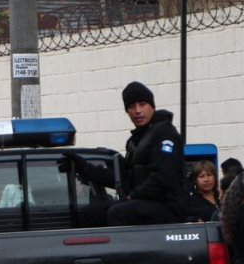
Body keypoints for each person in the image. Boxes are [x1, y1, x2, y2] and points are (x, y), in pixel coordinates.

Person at [69, 82, 188, 226]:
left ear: (152, 106)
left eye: (142, 104)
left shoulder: (165, 133)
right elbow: (123, 179)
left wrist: (132, 196)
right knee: (88, 215)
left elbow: (163, 178)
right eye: (132, 106)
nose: (137, 110)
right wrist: (82, 166)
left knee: (118, 212)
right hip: (143, 203)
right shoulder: (134, 142)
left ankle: (126, 249)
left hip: (168, 208)